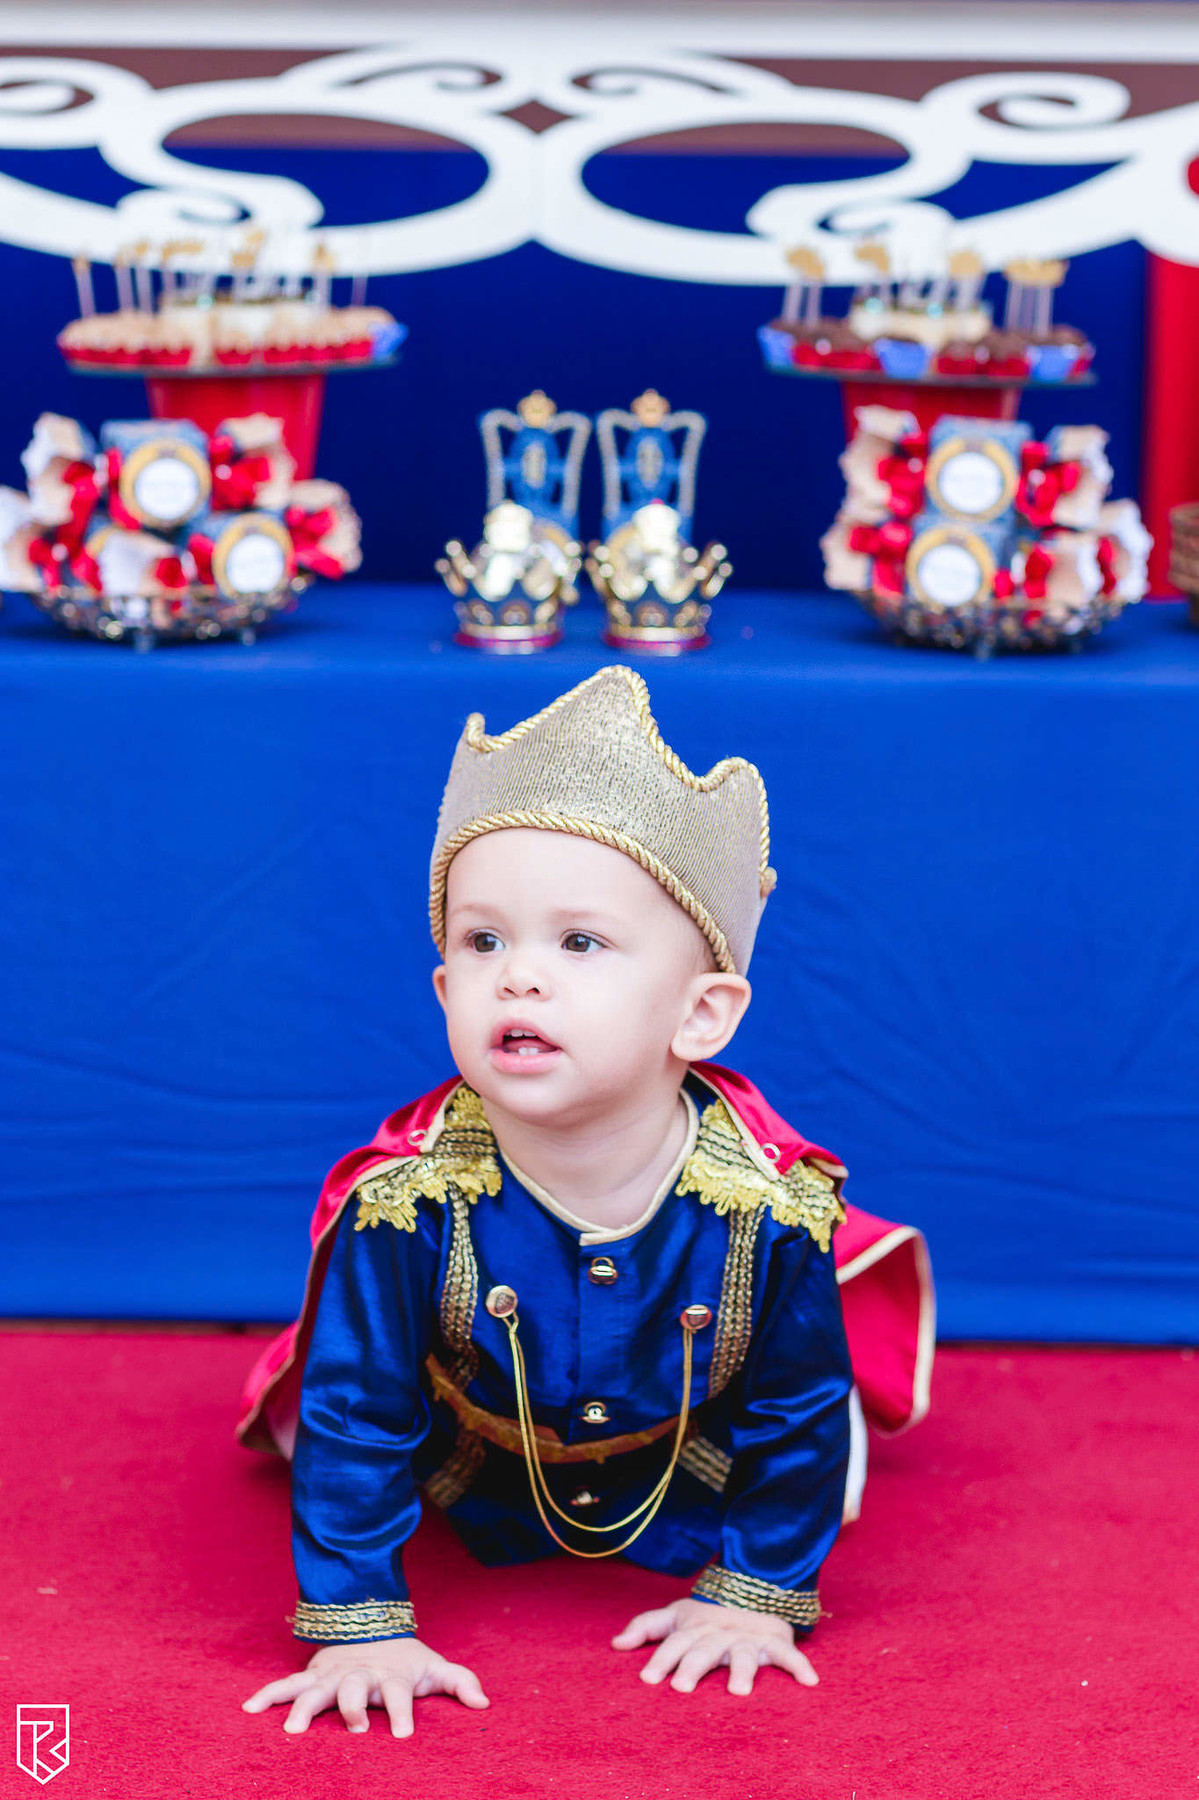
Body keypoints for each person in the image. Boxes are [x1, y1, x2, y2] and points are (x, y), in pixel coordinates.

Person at [239, 665, 932, 1739]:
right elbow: (355, 1407)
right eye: (482, 942)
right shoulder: (407, 1202)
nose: (517, 978)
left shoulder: (769, 1207)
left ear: (700, 1016)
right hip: (473, 1456)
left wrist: (756, 1593)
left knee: (809, 1418)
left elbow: (792, 1409)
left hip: (678, 1456)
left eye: (579, 943)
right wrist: (358, 1623)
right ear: (444, 991)